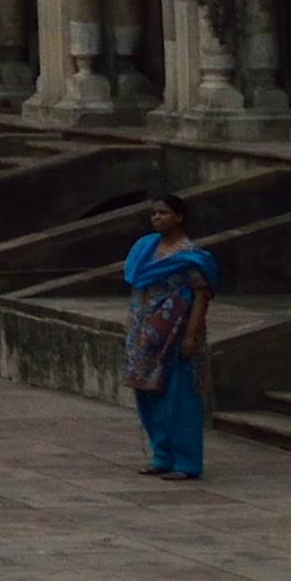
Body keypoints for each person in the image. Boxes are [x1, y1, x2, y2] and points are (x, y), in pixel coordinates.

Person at [123, 191, 223, 481]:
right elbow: (138, 289)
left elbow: (202, 296)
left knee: (179, 395)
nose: (157, 218)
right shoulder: (145, 249)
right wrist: (132, 322)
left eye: (164, 213)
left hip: (177, 332)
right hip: (145, 333)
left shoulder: (191, 256)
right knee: (147, 392)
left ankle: (186, 461)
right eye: (154, 213)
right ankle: (161, 455)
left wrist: (190, 336)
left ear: (179, 217)